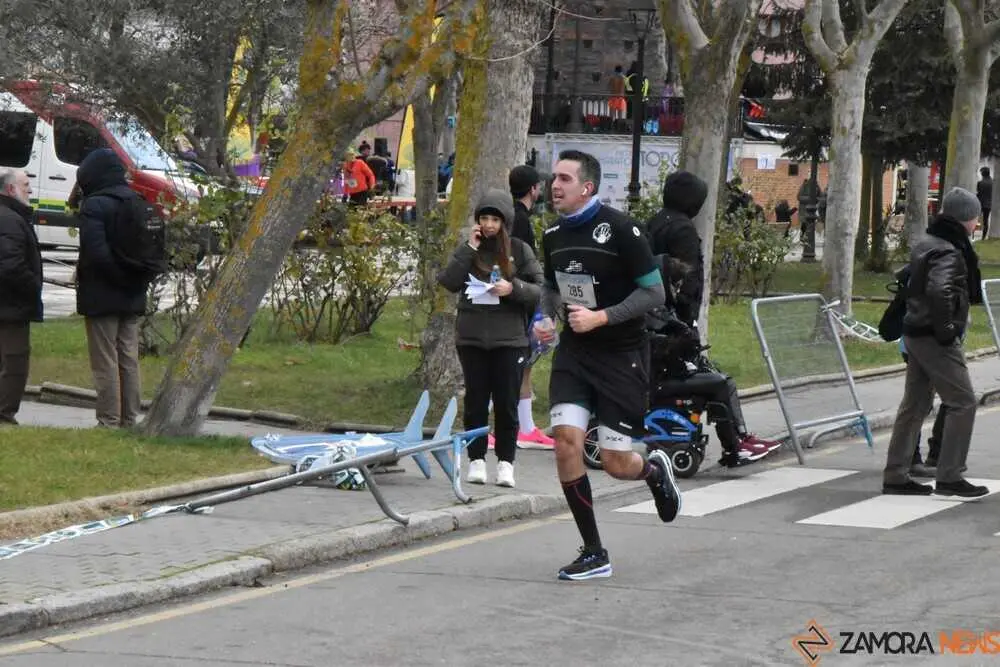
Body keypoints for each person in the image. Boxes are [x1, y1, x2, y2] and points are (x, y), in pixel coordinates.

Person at [534, 149, 681, 581]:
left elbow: (655, 295)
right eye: (553, 179)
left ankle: (653, 470)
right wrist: (544, 316)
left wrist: (602, 316)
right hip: (575, 354)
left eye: (563, 179)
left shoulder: (623, 230)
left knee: (617, 463)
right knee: (566, 442)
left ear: (587, 187)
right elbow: (550, 284)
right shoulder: (554, 234)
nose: (554, 186)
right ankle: (594, 551)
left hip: (622, 356)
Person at [882, 187, 988, 499]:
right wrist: (947, 331)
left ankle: (896, 475)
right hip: (933, 336)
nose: (975, 225)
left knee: (914, 405)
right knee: (963, 401)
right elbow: (941, 290)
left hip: (914, 331)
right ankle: (950, 476)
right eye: (974, 219)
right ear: (965, 218)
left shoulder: (929, 241)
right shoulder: (950, 250)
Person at [437, 188, 543, 488]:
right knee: (476, 401)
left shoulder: (520, 250)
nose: (488, 225)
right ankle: (477, 460)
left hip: (509, 340)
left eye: (494, 219)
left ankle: (507, 463)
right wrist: (469, 248)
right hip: (472, 339)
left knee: (506, 403)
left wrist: (513, 289)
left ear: (505, 222)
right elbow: (449, 281)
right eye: (484, 218)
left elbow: (540, 288)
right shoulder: (470, 249)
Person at [75, 148, 151, 429]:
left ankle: (108, 420)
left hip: (102, 293)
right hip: (133, 291)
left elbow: (95, 253)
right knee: (128, 357)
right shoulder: (137, 201)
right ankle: (130, 418)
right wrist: (131, 281)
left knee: (104, 359)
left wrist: (114, 278)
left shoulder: (94, 205)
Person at [507, 165, 555, 450]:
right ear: (533, 189)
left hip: (516, 297)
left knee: (524, 365)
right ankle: (516, 426)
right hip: (523, 299)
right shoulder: (520, 220)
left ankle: (525, 426)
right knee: (520, 364)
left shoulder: (510, 216)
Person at [0, 169, 43, 425]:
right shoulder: (9, 219)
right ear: (10, 190)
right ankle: (4, 415)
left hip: (8, 303)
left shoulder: (11, 216)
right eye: (25, 184)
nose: (30, 189)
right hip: (11, 304)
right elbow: (10, 265)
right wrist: (33, 286)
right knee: (14, 362)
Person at [977, 166, 992, 238]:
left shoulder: (980, 183)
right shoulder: (993, 182)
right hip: (989, 205)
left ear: (983, 173)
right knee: (985, 221)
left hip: (980, 204)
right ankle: (983, 237)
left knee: (974, 218)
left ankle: (971, 234)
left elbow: (978, 194)